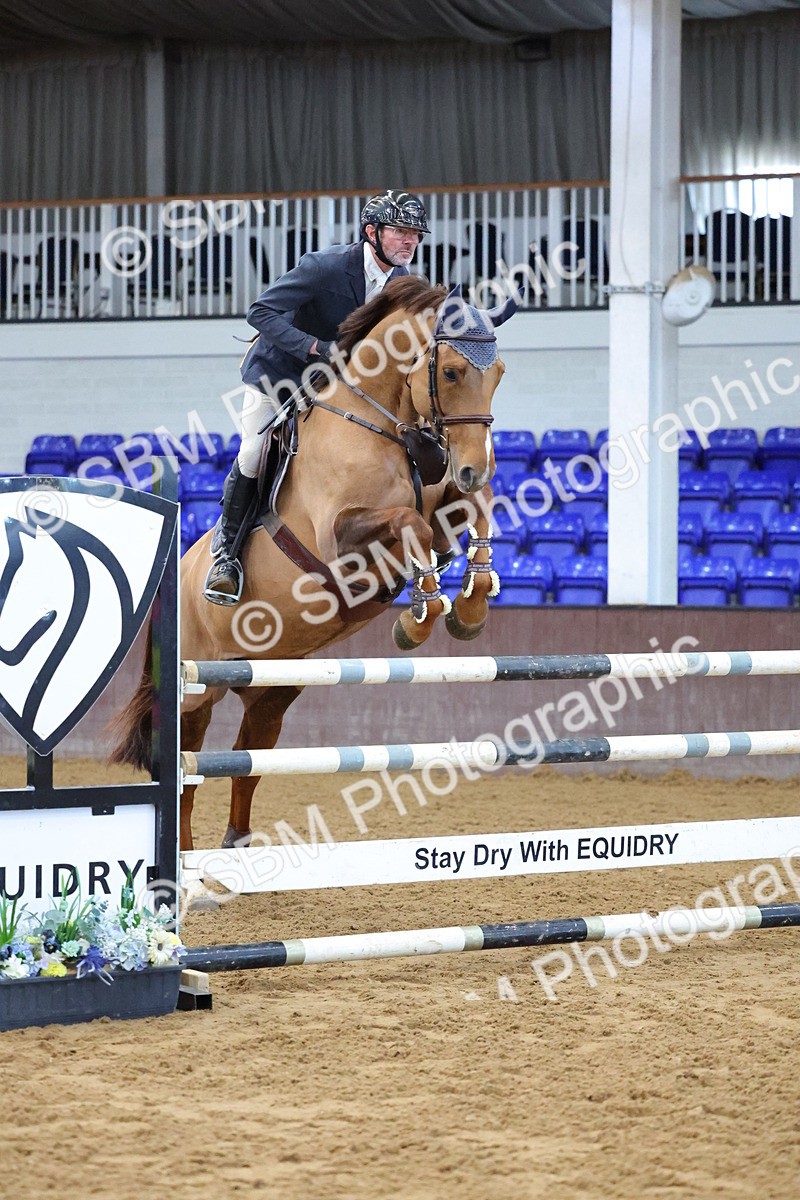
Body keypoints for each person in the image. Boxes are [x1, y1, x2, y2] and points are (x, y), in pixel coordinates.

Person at [204, 190, 431, 604]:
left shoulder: (403, 285)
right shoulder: (325, 266)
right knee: (254, 452)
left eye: (415, 235)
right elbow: (260, 312)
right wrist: (315, 347)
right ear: (372, 232)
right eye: (401, 232)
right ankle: (227, 557)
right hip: (281, 376)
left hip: (339, 388)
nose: (410, 242)